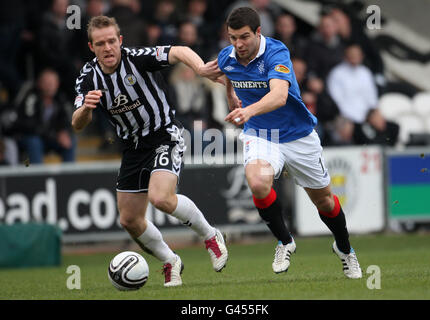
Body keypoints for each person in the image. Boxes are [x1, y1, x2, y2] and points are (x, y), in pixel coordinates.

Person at [72, 15, 228, 287]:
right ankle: (170, 261)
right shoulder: (88, 77)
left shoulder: (137, 58)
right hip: (132, 147)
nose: (107, 48)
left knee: (161, 197)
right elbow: (77, 123)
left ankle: (210, 235)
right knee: (129, 219)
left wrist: (201, 68)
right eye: (101, 43)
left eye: (111, 41)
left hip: (163, 134)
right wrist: (86, 108)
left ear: (120, 41)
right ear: (91, 47)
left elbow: (179, 51)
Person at [217, 7, 362, 278]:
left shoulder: (276, 52)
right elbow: (226, 72)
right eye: (233, 37)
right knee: (258, 183)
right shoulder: (228, 55)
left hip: (298, 136)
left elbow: (279, 96)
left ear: (258, 32)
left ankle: (345, 249)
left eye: (244, 37)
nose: (238, 44)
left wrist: (246, 110)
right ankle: (285, 241)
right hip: (262, 134)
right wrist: (229, 95)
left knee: (326, 202)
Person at [14, 68, 76, 164]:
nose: (49, 86)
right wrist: (55, 135)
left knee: (70, 140)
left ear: (57, 84)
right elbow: (29, 126)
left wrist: (63, 132)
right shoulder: (31, 97)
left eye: (52, 83)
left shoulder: (60, 99)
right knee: (34, 141)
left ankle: (69, 176)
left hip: (49, 138)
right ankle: (38, 176)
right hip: (27, 137)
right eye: (46, 82)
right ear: (39, 83)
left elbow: (67, 120)